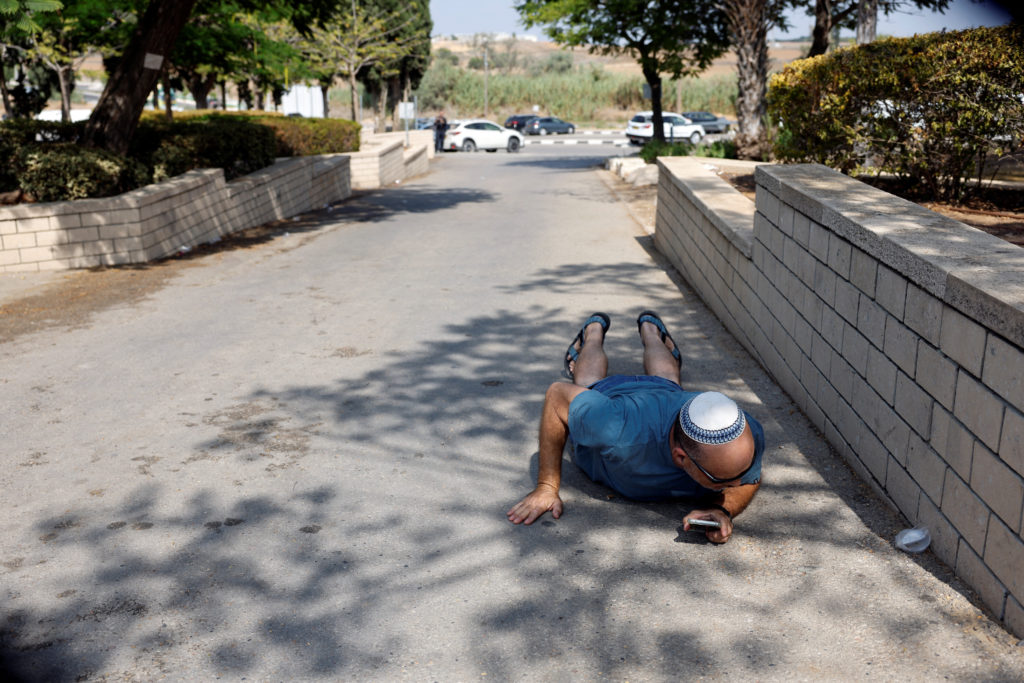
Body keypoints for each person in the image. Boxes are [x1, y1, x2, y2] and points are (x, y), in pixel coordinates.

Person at [507, 311, 766, 544]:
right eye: (722, 480)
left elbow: (749, 479)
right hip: (611, 396)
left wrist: (723, 509)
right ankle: (593, 332)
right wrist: (546, 487)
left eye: (741, 472)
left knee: (668, 380)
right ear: (681, 457)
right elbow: (556, 395)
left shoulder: (745, 431)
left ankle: (651, 332)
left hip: (666, 394)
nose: (739, 484)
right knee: (588, 381)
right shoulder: (616, 428)